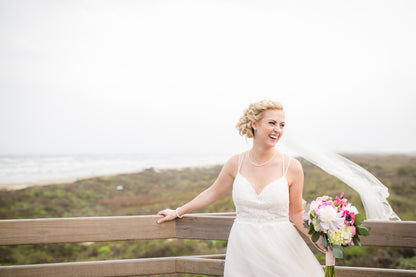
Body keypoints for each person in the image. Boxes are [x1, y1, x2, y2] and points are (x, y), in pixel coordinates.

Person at [157, 100, 324, 276]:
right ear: (254, 124)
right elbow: (212, 193)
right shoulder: (235, 163)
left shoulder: (292, 166)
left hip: (281, 248)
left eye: (282, 125)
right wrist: (177, 212)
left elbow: (296, 212)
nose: (278, 130)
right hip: (244, 249)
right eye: (272, 123)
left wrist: (319, 238)